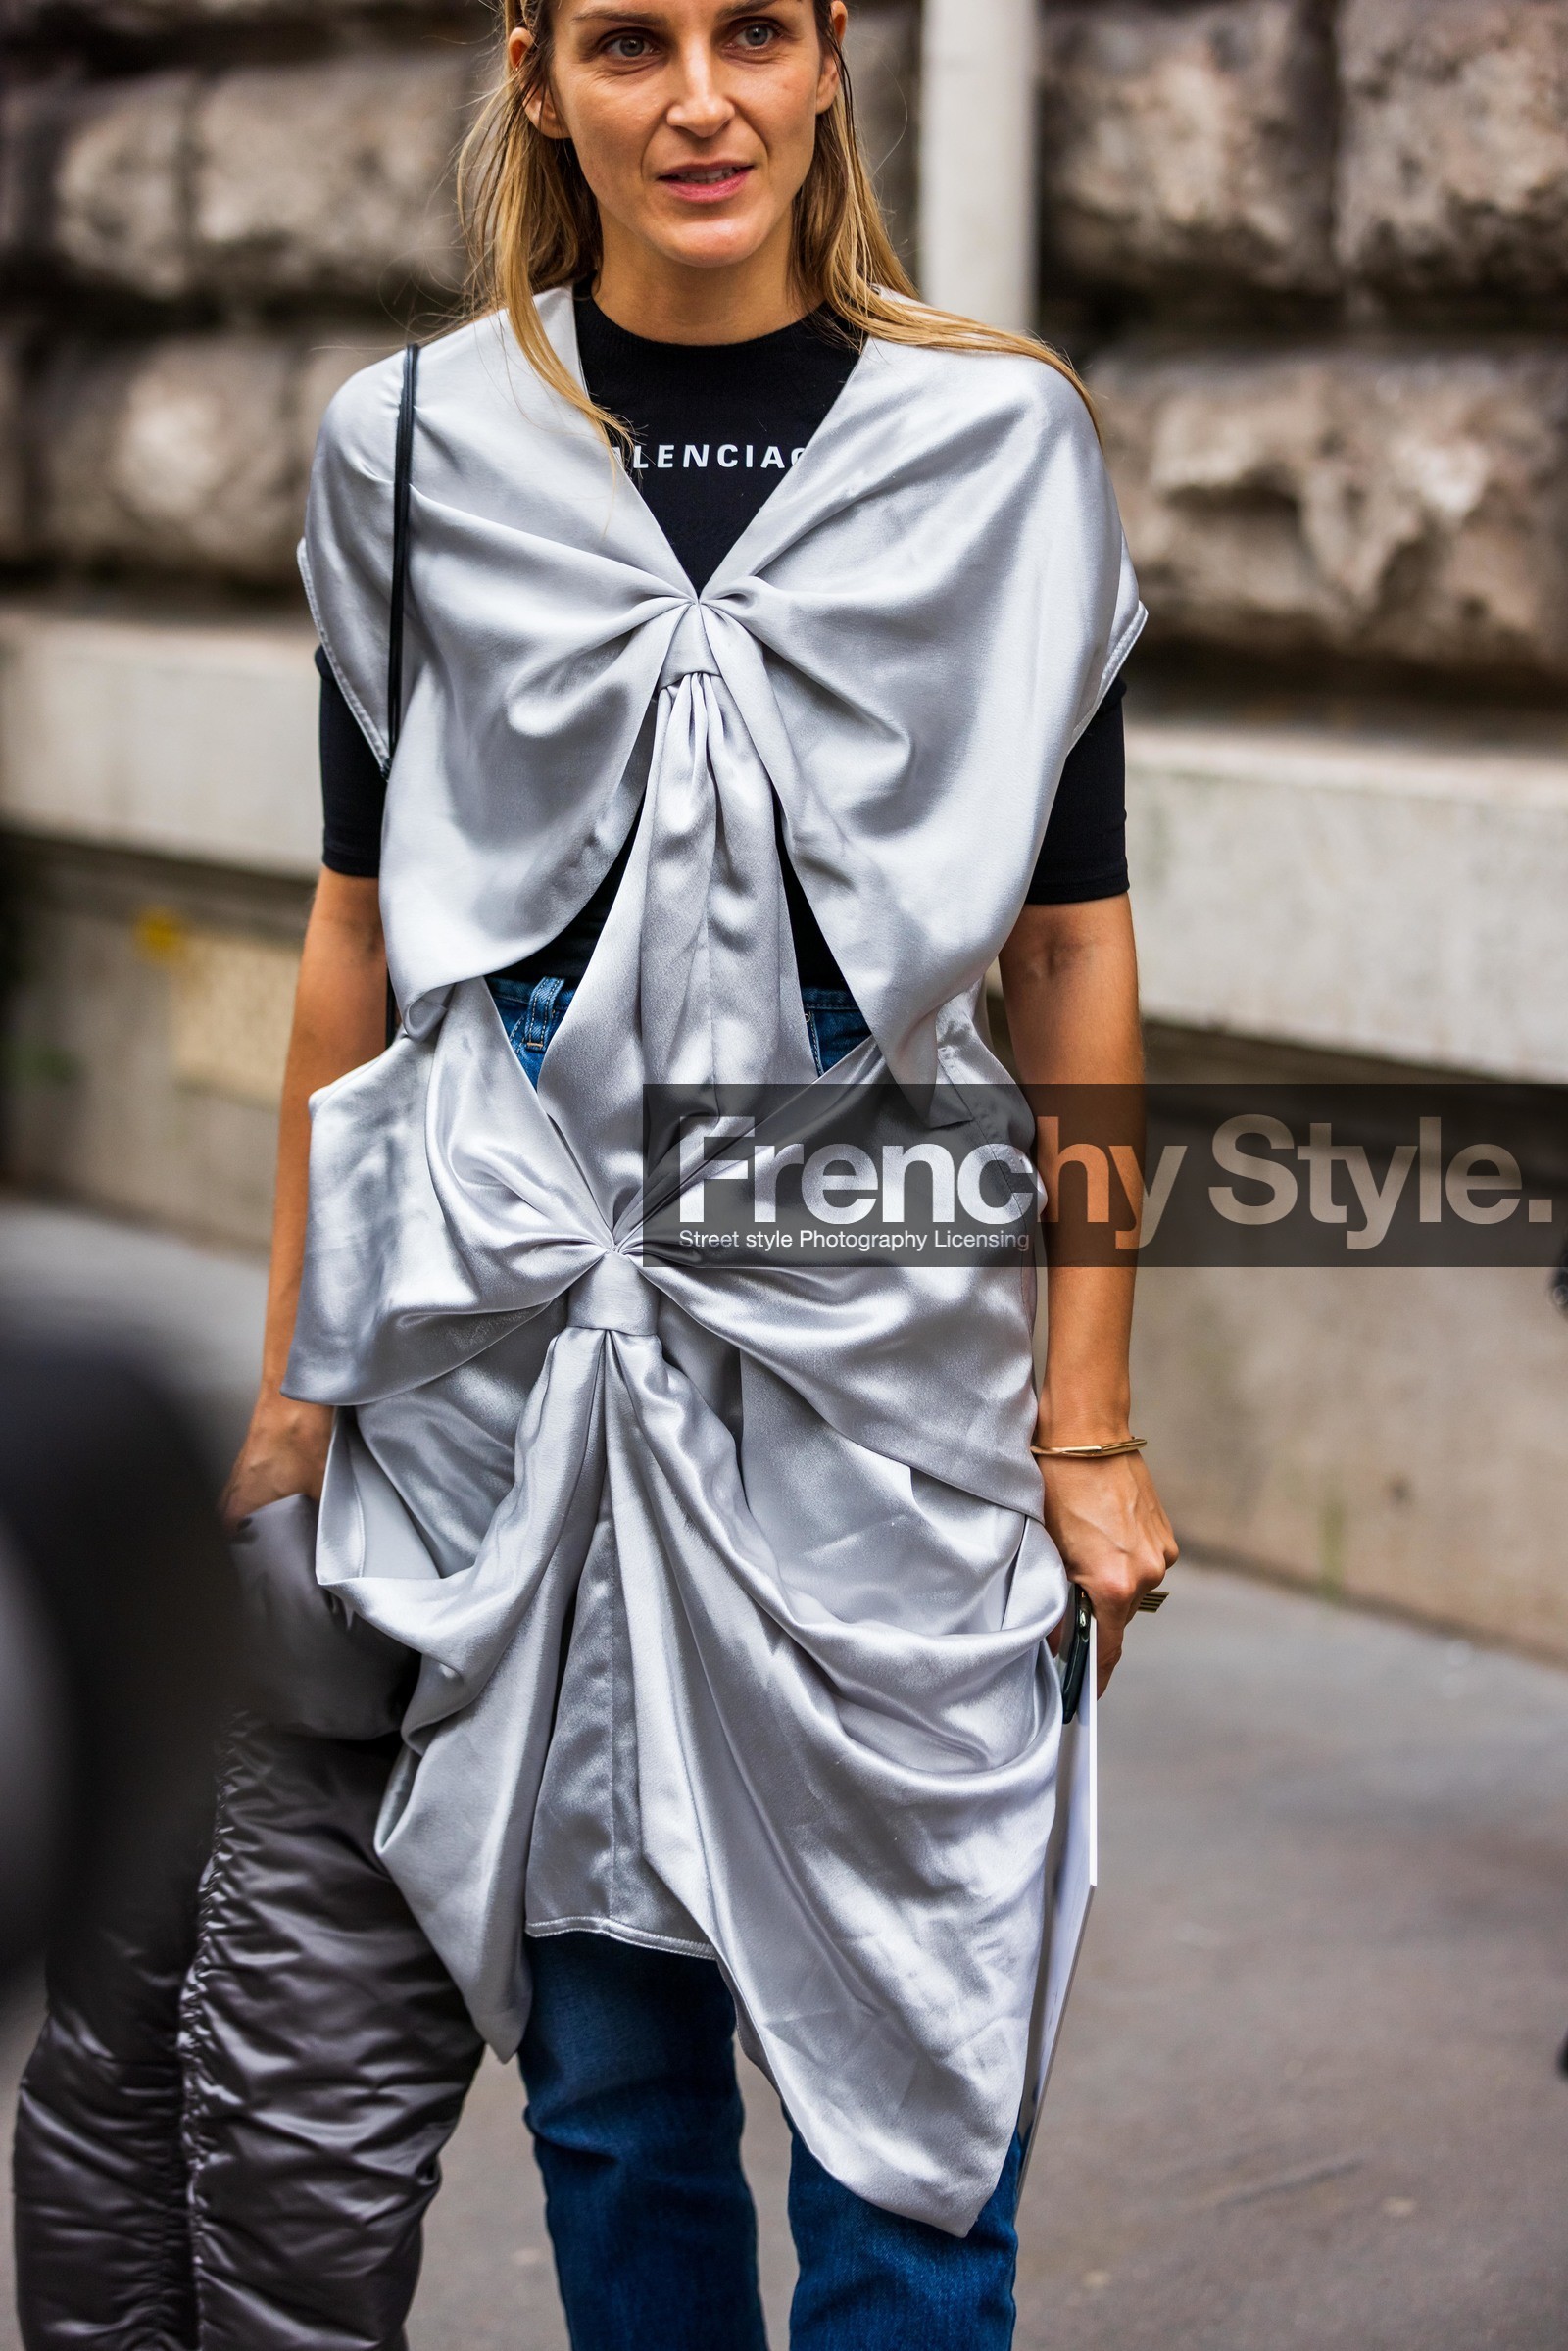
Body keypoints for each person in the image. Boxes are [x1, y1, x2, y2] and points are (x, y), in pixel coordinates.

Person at [221, 1, 1178, 2342]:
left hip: (892, 1380)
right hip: (524, 1385)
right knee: (613, 2109)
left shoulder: (999, 447)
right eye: (629, 42)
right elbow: (357, 944)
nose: (699, 101)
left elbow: (1069, 958)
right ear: (536, 72)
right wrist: (293, 1398)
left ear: (832, 60)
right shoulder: (413, 442)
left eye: (754, 30)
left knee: (912, 2133)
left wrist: (1088, 1420)